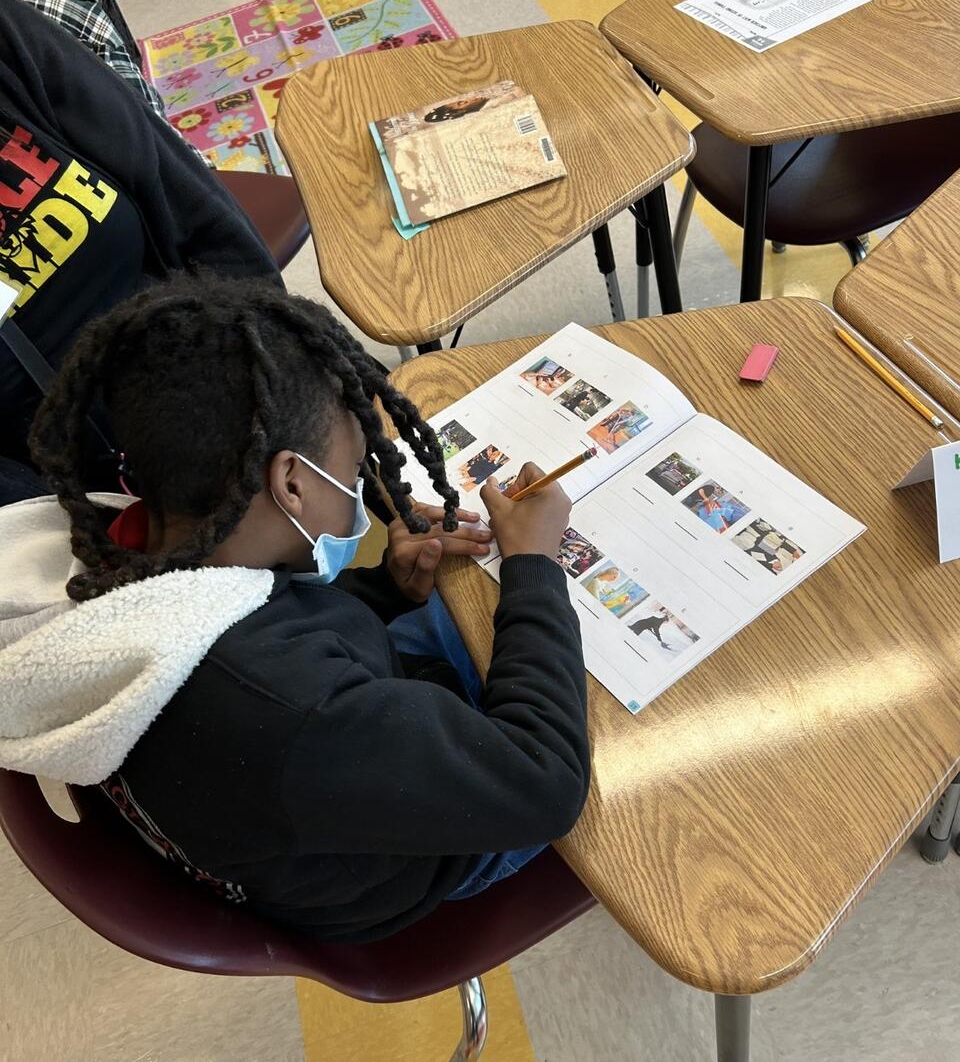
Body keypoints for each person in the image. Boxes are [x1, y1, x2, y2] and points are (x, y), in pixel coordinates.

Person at [0, 277, 590, 943]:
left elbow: (283, 629)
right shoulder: (290, 706)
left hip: (294, 789)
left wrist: (387, 586)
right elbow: (548, 780)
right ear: (291, 483)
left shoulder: (128, 551)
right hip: (408, 868)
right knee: (635, 711)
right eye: (356, 465)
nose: (362, 485)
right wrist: (534, 564)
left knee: (478, 616)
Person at [0, 0, 280, 500]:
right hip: (67, 510)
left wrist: (273, 380)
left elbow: (191, 203)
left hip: (220, 372)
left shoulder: (8, 37)